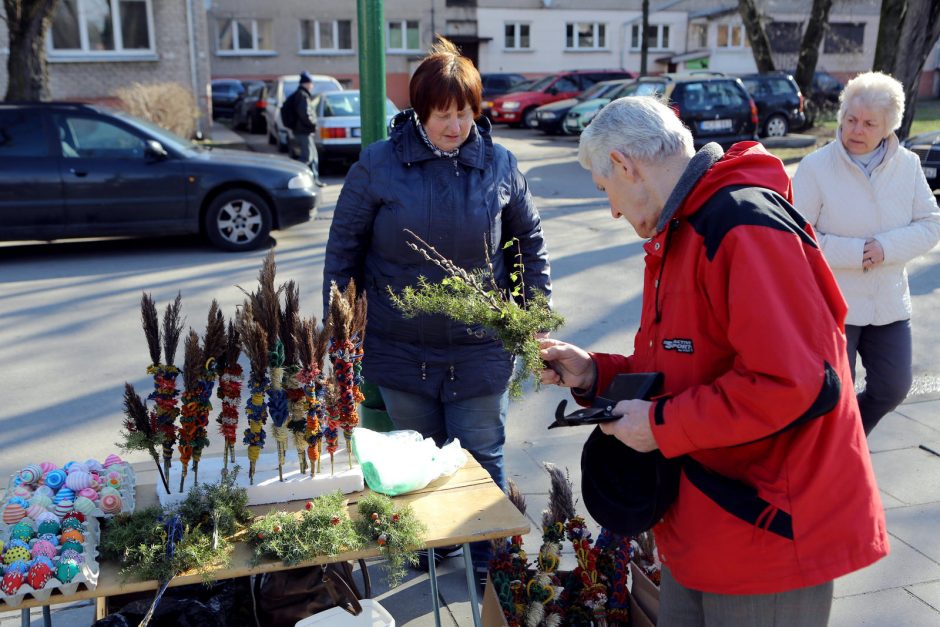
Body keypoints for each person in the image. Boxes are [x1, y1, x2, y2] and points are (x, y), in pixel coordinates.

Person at [540, 96, 888, 625]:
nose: (611, 209)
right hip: (706, 521)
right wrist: (594, 373)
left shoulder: (739, 223)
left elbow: (795, 383)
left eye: (604, 191)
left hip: (768, 537)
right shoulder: (683, 226)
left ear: (623, 166)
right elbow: (677, 366)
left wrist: (659, 424)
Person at [323, 38, 551, 576]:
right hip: (401, 351)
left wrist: (532, 319)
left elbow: (529, 244)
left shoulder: (499, 165)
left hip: (480, 350)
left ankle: (485, 564)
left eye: (465, 112)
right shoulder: (378, 166)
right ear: (419, 112)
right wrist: (341, 335)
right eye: (442, 115)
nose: (455, 126)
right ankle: (435, 546)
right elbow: (343, 254)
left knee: (481, 459)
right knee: (417, 465)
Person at [793, 71, 940, 436]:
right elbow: (797, 235)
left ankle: (847, 441)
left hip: (888, 302)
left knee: (893, 387)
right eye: (851, 120)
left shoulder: (907, 164)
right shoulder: (815, 167)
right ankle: (833, 461)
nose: (856, 130)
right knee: (831, 395)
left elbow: (931, 223)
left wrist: (884, 248)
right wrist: (857, 253)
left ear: (889, 127)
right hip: (833, 304)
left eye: (869, 123)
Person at [291, 71, 325, 187]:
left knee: (313, 156)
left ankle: (314, 179)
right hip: (303, 131)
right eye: (311, 83)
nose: (312, 86)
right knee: (307, 157)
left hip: (304, 131)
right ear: (306, 83)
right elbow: (305, 114)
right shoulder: (302, 95)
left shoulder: (301, 94)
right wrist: (313, 125)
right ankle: (294, 176)